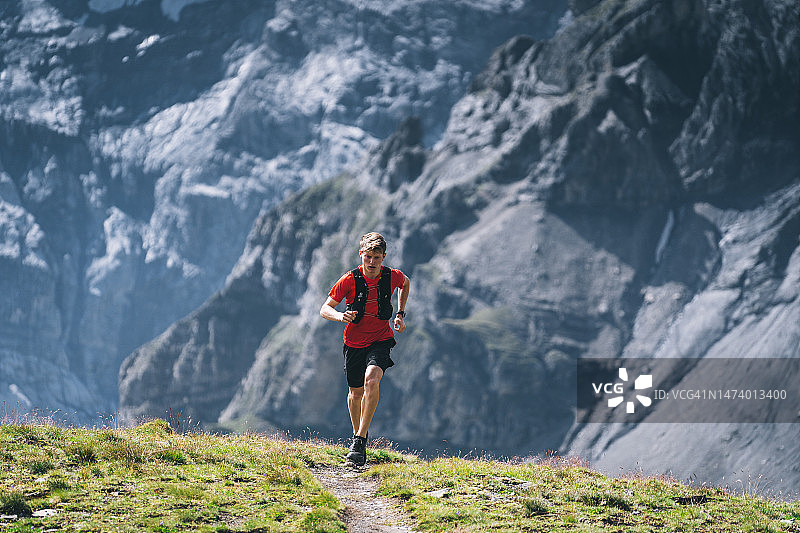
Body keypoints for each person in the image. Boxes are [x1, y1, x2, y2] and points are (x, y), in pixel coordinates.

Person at [320, 232, 410, 466]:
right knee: (355, 393)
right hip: (354, 342)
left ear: (384, 257)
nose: (371, 262)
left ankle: (360, 441)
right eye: (367, 257)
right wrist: (340, 316)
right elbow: (325, 309)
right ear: (361, 254)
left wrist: (400, 314)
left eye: (376, 258)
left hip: (381, 339)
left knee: (372, 380)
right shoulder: (349, 279)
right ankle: (358, 435)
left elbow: (405, 283)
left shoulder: (391, 276)